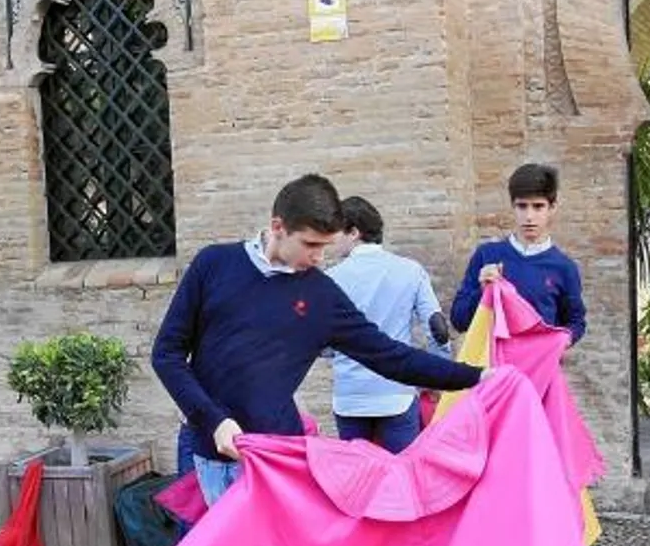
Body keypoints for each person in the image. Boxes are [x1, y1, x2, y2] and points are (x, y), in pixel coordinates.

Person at [153, 174, 485, 506]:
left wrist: (474, 376)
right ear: (278, 227)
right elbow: (166, 355)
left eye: (325, 246)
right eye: (311, 245)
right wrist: (215, 421)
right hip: (208, 450)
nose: (319, 258)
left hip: (276, 456)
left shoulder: (321, 296)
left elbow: (391, 357)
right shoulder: (213, 264)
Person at [325, 196, 452, 453]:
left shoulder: (330, 279)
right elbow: (438, 328)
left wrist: (337, 354)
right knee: (403, 476)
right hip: (397, 394)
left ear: (353, 232)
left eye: (336, 231)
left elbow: (319, 340)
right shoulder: (410, 270)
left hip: (350, 398)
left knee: (357, 482)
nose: (330, 239)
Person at [450, 163, 586, 345]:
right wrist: (482, 292)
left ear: (552, 207)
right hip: (492, 368)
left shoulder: (564, 268)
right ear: (512, 207)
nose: (529, 216)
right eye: (522, 206)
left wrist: (563, 341)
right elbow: (458, 320)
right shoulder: (487, 256)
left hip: (537, 368)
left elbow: (575, 322)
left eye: (538, 207)